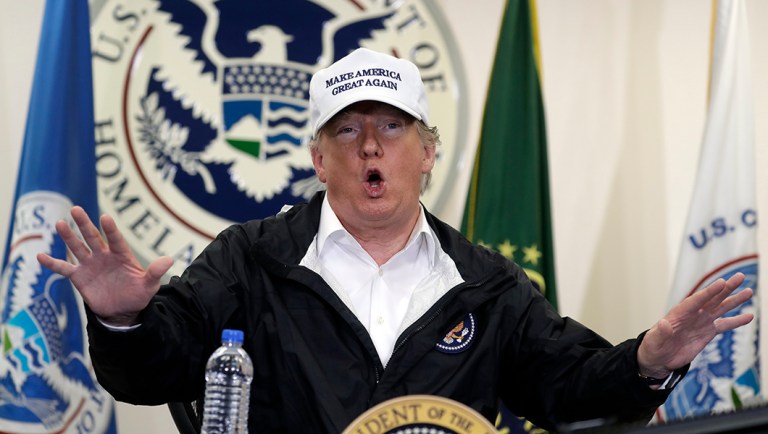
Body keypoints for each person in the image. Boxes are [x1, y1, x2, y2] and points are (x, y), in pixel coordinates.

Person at [38, 48, 753, 433]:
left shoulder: (486, 284)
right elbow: (151, 375)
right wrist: (123, 319)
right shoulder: (250, 259)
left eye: (394, 127)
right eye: (348, 129)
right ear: (319, 160)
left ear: (428, 152)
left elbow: (568, 391)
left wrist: (650, 361)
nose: (371, 145)